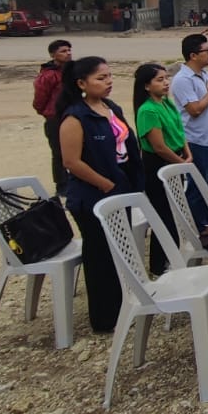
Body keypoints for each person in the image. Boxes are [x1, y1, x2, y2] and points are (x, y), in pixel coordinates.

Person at [58, 56, 144, 333]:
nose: (108, 82)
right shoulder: (75, 118)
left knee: (120, 249)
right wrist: (105, 184)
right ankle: (105, 318)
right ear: (81, 83)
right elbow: (71, 162)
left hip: (120, 188)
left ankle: (126, 305)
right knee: (100, 255)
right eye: (100, 78)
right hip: (93, 196)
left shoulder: (110, 108)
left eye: (109, 76)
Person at [133, 63, 191, 276]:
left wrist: (187, 153)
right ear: (146, 86)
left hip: (177, 158)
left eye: (167, 78)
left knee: (175, 211)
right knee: (163, 214)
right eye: (160, 80)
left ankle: (172, 255)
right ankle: (159, 264)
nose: (166, 83)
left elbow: (179, 131)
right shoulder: (147, 110)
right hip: (159, 164)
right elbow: (158, 146)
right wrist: (180, 162)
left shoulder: (167, 102)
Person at [171, 33, 208, 228]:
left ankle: (207, 223)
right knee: (197, 187)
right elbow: (195, 110)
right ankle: (196, 227)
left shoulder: (205, 74)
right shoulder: (183, 79)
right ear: (193, 55)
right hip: (196, 140)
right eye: (206, 51)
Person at [32, 39, 72, 196]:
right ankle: (62, 185)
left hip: (73, 116)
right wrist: (49, 113)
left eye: (69, 50)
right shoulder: (48, 76)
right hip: (55, 118)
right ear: (53, 55)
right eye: (63, 51)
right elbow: (40, 99)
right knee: (59, 153)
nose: (68, 53)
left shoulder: (74, 71)